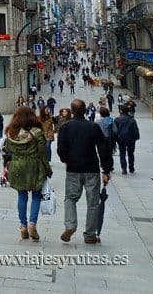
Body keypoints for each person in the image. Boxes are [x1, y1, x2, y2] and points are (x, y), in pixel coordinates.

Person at [56, 99, 113, 244]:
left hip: (73, 168)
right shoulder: (92, 127)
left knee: (70, 198)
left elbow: (61, 149)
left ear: (72, 111)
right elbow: (103, 148)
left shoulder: (65, 127)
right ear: (85, 110)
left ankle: (70, 225)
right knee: (93, 202)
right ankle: (89, 235)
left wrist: (65, 159)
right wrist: (106, 169)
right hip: (91, 168)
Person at [3, 106, 51, 241]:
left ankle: (23, 225)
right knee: (36, 195)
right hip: (34, 165)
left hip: (17, 165)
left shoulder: (11, 132)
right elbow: (43, 152)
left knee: (21, 195)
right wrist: (47, 169)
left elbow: (7, 148)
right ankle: (32, 224)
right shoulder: (37, 132)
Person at [113, 105, 141, 174]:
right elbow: (135, 129)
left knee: (122, 154)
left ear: (121, 111)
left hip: (121, 139)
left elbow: (115, 130)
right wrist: (136, 137)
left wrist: (115, 139)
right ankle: (131, 168)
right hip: (131, 139)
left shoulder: (117, 119)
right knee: (131, 153)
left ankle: (124, 169)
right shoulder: (132, 119)